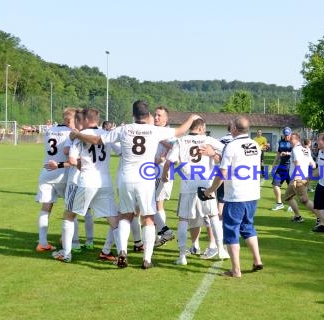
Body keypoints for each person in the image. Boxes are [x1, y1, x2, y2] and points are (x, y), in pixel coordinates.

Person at [70, 100, 195, 269]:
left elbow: (98, 139)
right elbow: (180, 131)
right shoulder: (154, 130)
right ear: (148, 115)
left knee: (125, 216)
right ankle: (147, 259)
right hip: (145, 179)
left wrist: (78, 134)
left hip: (125, 178)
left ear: (133, 115)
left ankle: (122, 252)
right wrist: (192, 117)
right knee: (148, 218)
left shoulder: (123, 129)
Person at [51, 108, 120, 263]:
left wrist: (83, 168)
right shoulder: (107, 134)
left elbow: (73, 160)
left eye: (79, 120)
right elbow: (120, 151)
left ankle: (66, 253)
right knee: (113, 220)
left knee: (69, 215)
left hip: (86, 181)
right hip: (105, 182)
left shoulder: (79, 137)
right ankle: (122, 253)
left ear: (86, 120)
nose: (78, 123)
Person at [162, 116, 228, 265]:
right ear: (200, 128)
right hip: (206, 184)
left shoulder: (181, 140)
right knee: (213, 216)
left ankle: (182, 256)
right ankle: (220, 249)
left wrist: (165, 173)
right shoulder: (208, 140)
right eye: (203, 128)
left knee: (184, 220)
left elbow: (169, 161)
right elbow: (227, 151)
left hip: (187, 185)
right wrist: (213, 154)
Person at [204, 116, 263, 278]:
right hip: (252, 193)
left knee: (231, 230)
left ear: (235, 129)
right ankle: (257, 260)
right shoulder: (255, 145)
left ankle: (236, 269)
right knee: (248, 226)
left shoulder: (232, 146)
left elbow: (222, 173)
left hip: (236, 194)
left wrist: (210, 190)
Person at [35, 107, 75, 252]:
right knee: (71, 209)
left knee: (46, 208)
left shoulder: (49, 130)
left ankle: (42, 242)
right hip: (63, 173)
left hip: (46, 172)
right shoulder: (71, 133)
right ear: (69, 120)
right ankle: (69, 241)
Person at [153, 106, 176, 247]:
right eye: (155, 115)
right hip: (153, 171)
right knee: (157, 204)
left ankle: (163, 233)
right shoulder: (153, 131)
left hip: (163, 172)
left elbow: (175, 149)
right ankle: (160, 234)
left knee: (155, 203)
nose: (156, 118)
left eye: (159, 115)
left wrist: (161, 141)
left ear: (166, 119)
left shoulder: (169, 133)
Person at [285, 132, 317, 223]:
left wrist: (295, 178)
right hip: (304, 177)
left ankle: (320, 217)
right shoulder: (306, 150)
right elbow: (313, 165)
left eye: (291, 139)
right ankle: (297, 216)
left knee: (304, 200)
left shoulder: (295, 150)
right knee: (288, 196)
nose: (290, 141)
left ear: (296, 139)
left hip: (297, 178)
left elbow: (297, 163)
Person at [271, 127, 293, 210]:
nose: (287, 136)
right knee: (275, 184)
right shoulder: (280, 142)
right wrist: (274, 163)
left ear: (290, 134)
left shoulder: (293, 142)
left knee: (291, 186)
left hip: (291, 166)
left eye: (288, 135)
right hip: (281, 166)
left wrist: (287, 153)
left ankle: (291, 205)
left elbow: (296, 153)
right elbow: (279, 153)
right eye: (285, 135)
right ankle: (279, 203)